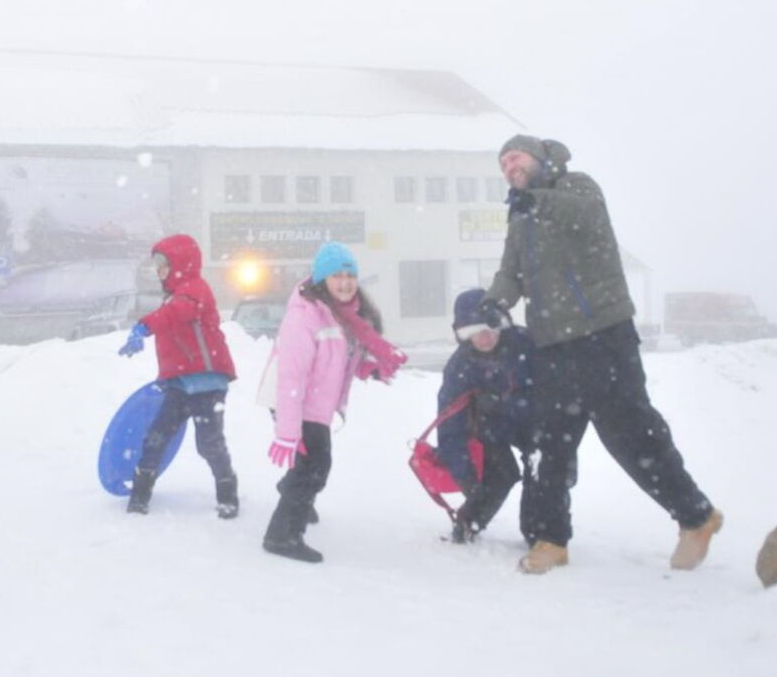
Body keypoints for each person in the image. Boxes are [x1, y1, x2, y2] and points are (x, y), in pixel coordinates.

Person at [478, 135, 723, 574]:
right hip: (551, 343)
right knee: (548, 444)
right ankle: (551, 540)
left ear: (538, 158)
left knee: (631, 434)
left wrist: (536, 200)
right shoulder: (521, 215)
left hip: (602, 333)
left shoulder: (576, 186)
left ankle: (696, 516)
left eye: (515, 158)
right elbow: (510, 271)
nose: (510, 168)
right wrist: (495, 300)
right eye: (504, 165)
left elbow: (586, 217)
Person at [258, 241, 406, 563]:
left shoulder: (345, 314)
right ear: (322, 279)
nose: (345, 283)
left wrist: (369, 369)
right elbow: (291, 377)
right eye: (337, 276)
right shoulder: (305, 316)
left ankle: (293, 493)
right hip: (294, 400)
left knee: (311, 466)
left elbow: (338, 358)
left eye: (350, 276)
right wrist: (287, 433)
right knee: (314, 466)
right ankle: (281, 536)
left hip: (314, 401)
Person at [118, 234, 239, 518]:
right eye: (156, 264)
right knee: (156, 437)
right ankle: (140, 495)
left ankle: (227, 492)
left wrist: (143, 328)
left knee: (209, 444)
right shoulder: (175, 295)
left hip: (207, 382)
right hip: (180, 385)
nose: (159, 270)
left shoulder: (194, 290)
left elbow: (173, 314)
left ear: (181, 264)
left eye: (164, 263)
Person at [437, 288, 537, 546]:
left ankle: (540, 533)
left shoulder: (527, 345)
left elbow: (555, 389)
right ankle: (468, 523)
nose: (484, 338)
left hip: (534, 422)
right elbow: (449, 426)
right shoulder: (459, 367)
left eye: (490, 328)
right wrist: (466, 475)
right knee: (499, 474)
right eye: (474, 331)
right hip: (489, 429)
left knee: (542, 466)